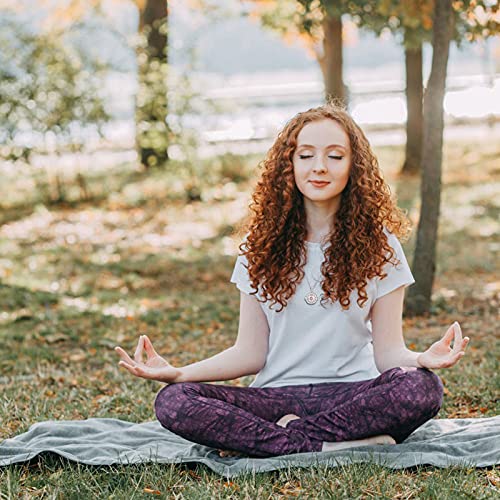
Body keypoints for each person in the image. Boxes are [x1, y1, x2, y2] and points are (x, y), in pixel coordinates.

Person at [114, 103, 469, 458]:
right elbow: (249, 353)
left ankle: (287, 440)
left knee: (422, 388)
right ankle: (334, 444)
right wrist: (178, 373)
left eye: (334, 156)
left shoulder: (381, 245)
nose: (319, 167)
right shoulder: (260, 246)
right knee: (174, 401)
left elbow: (389, 353)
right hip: (274, 397)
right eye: (306, 155)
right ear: (289, 164)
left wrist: (422, 358)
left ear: (353, 167)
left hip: (354, 396)